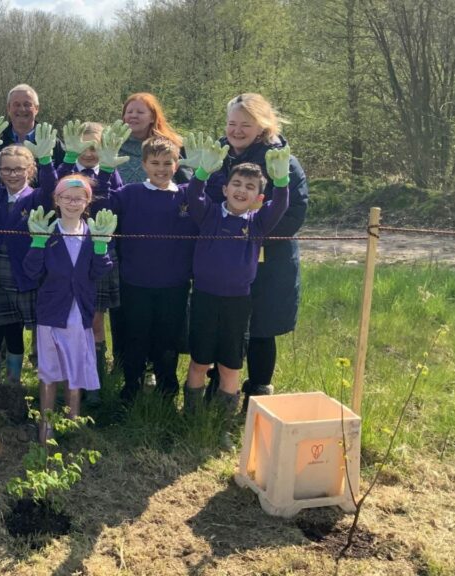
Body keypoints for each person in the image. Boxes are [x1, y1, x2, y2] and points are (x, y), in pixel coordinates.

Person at [181, 133, 290, 449]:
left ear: (259, 197)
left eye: (250, 187)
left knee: (231, 366)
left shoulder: (258, 223)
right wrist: (202, 172)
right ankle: (192, 420)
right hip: (203, 298)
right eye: (237, 185)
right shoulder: (210, 215)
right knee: (200, 363)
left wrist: (281, 181)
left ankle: (222, 427)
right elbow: (192, 194)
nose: (242, 190)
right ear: (226, 189)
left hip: (238, 304)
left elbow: (281, 204)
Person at [203, 94, 310, 410]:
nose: (236, 130)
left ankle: (258, 396)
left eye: (245, 125)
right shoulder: (217, 155)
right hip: (222, 260)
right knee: (224, 325)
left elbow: (294, 212)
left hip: (267, 261)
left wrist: (251, 238)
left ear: (261, 125)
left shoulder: (282, 160)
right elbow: (206, 200)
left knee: (261, 328)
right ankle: (220, 389)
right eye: (232, 123)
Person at [97, 134, 199, 407]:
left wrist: (204, 173)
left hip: (175, 284)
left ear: (177, 165)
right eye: (155, 163)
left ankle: (167, 392)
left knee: (167, 342)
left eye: (168, 163)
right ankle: (131, 388)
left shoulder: (188, 195)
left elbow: (213, 203)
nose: (161, 169)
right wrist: (105, 171)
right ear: (143, 164)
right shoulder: (130, 194)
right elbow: (99, 206)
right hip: (136, 283)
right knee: (136, 338)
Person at [23, 177, 117, 443]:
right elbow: (31, 271)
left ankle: (73, 423)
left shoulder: (92, 232)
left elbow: (100, 271)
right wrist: (38, 243)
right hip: (52, 312)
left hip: (80, 313)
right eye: (67, 197)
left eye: (79, 198)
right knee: (49, 369)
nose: (73, 203)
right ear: (57, 200)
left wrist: (101, 246)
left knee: (75, 368)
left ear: (87, 202)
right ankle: (46, 424)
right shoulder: (47, 232)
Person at [0, 122, 58, 387]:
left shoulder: (36, 198)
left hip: (21, 275)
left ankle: (13, 382)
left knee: (13, 332)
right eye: (6, 169)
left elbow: (51, 189)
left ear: (29, 170)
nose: (12, 175)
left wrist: (46, 161)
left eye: (18, 169)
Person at [57, 121, 124, 396]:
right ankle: (68, 378)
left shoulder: (112, 173)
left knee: (95, 320)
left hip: (99, 255)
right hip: (68, 255)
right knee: (69, 316)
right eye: (83, 146)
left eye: (95, 146)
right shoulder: (69, 172)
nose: (89, 152)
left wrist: (107, 173)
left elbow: (113, 206)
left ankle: (93, 381)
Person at [0, 84, 66, 184]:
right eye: (16, 104)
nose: (22, 109)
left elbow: (65, 179)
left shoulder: (52, 144)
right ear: (8, 108)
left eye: (27, 104)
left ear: (36, 108)